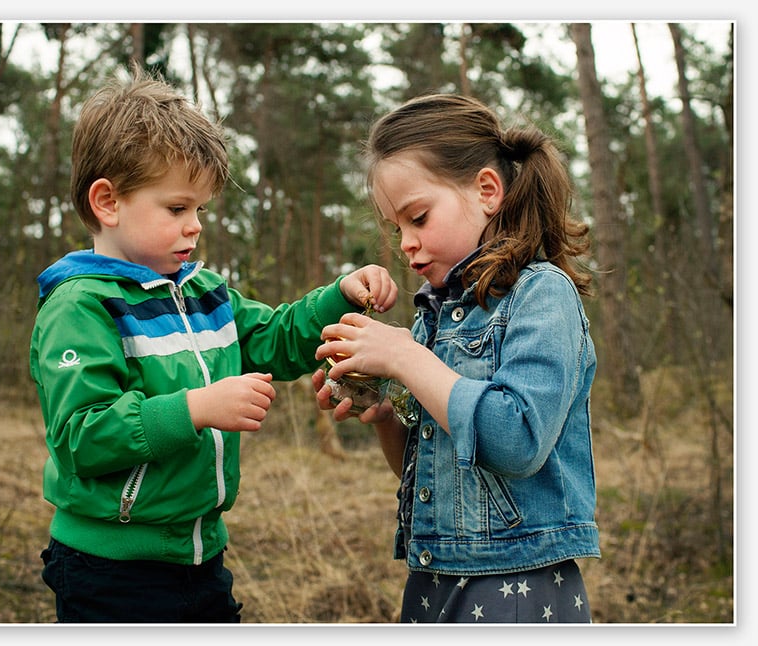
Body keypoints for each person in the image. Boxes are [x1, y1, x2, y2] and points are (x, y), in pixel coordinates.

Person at [29, 71, 398, 623]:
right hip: (108, 569)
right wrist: (196, 408)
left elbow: (272, 339)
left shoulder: (204, 293)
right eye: (177, 209)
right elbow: (82, 434)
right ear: (107, 202)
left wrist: (337, 296)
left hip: (201, 557)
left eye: (200, 210)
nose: (195, 226)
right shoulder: (79, 306)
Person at [313, 93, 600, 623]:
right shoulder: (433, 317)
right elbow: (431, 471)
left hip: (519, 581)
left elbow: (517, 442)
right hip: (433, 576)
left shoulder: (542, 295)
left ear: (486, 191)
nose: (405, 244)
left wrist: (404, 357)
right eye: (396, 227)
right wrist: (385, 413)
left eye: (417, 217)